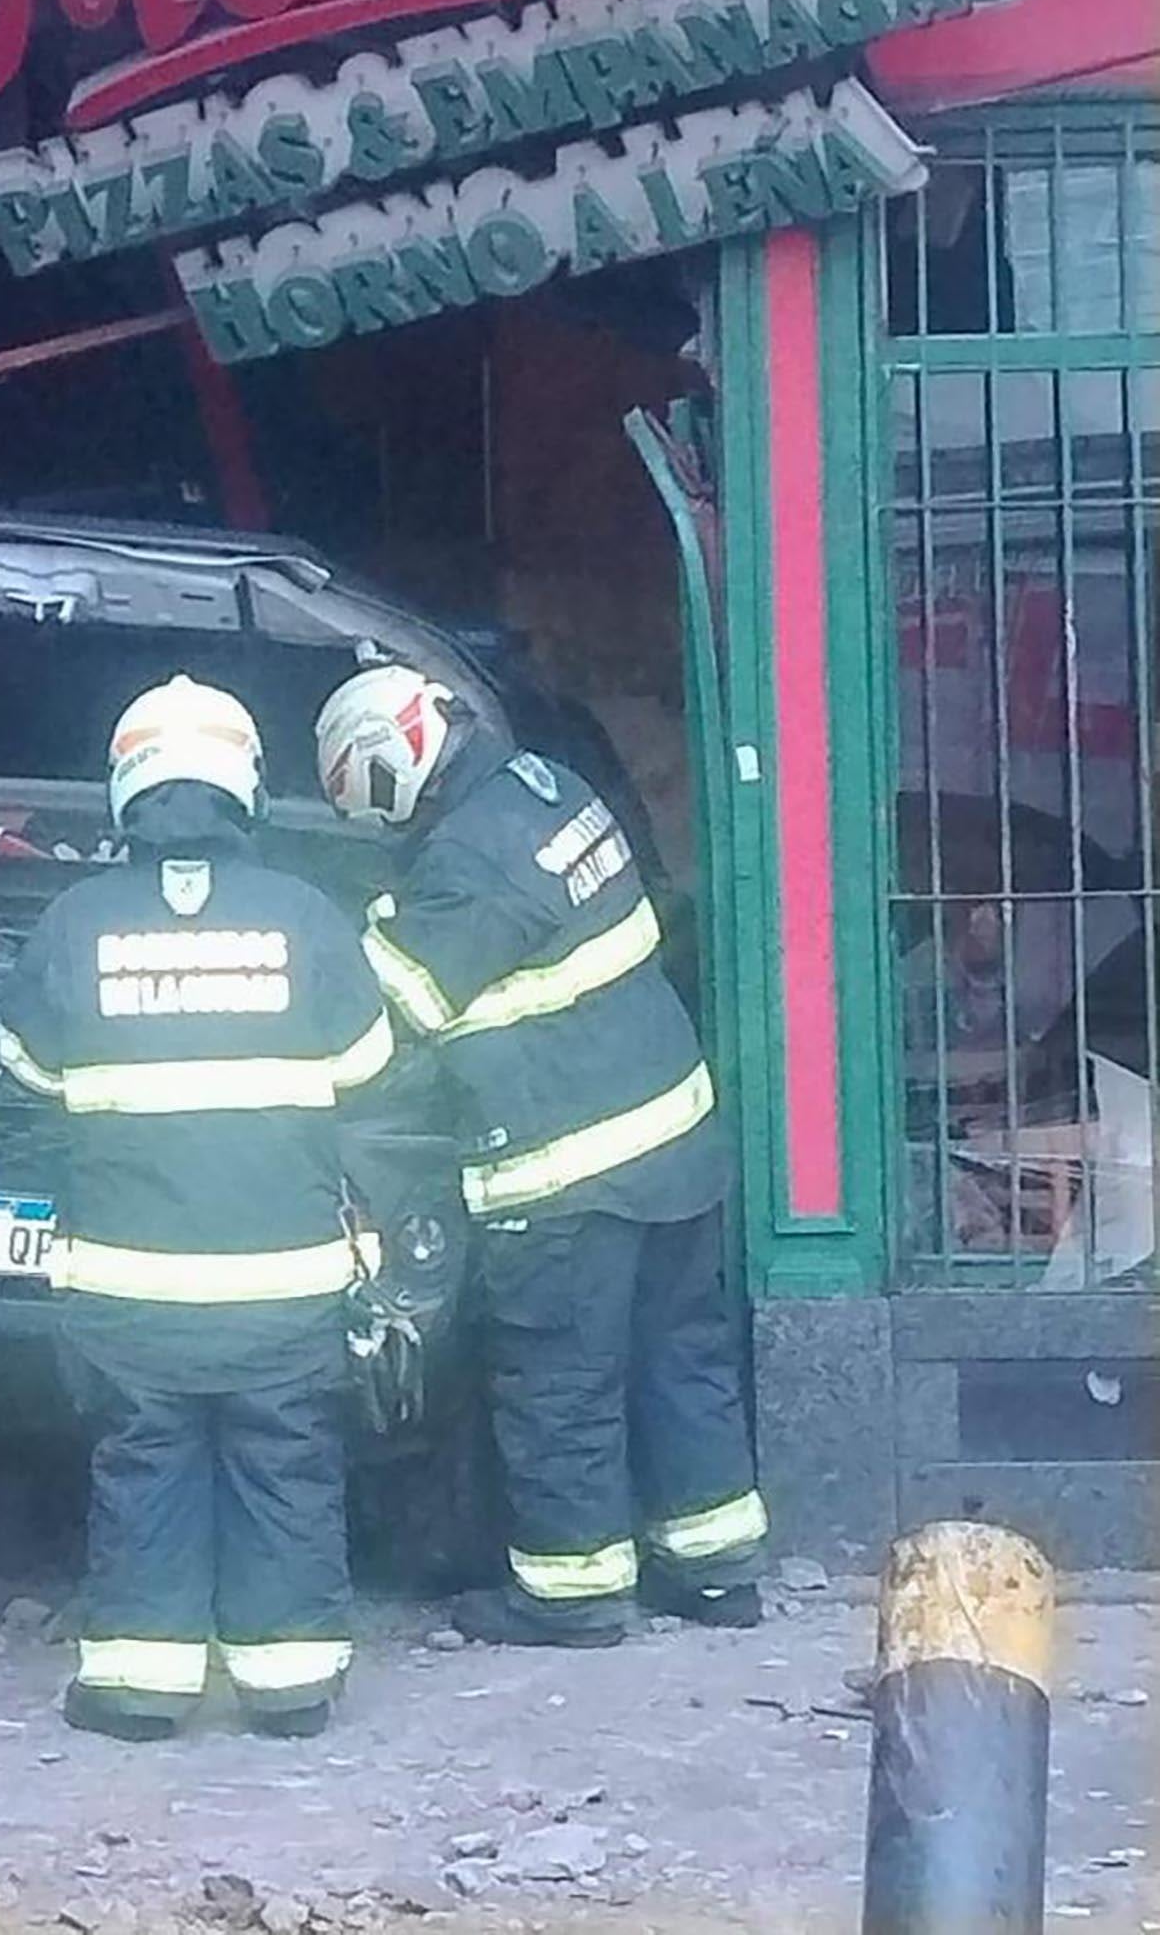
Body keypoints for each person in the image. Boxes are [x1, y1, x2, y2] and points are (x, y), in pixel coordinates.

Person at [313, 663, 767, 1648]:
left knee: (561, 1386)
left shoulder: (465, 859)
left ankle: (573, 1592)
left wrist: (363, 933)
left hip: (567, 1173)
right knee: (682, 1360)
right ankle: (716, 1569)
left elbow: (397, 1011)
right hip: (674, 1141)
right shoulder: (548, 785)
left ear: (387, 768)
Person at [0, 675, 394, 1741]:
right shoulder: (304, 914)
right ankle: (290, 1689)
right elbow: (369, 1063)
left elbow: (28, 1071)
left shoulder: (75, 920)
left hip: (130, 1286)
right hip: (285, 1281)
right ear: (245, 783)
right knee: (287, 1469)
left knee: (145, 1470)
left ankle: (138, 1689)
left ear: (125, 785)